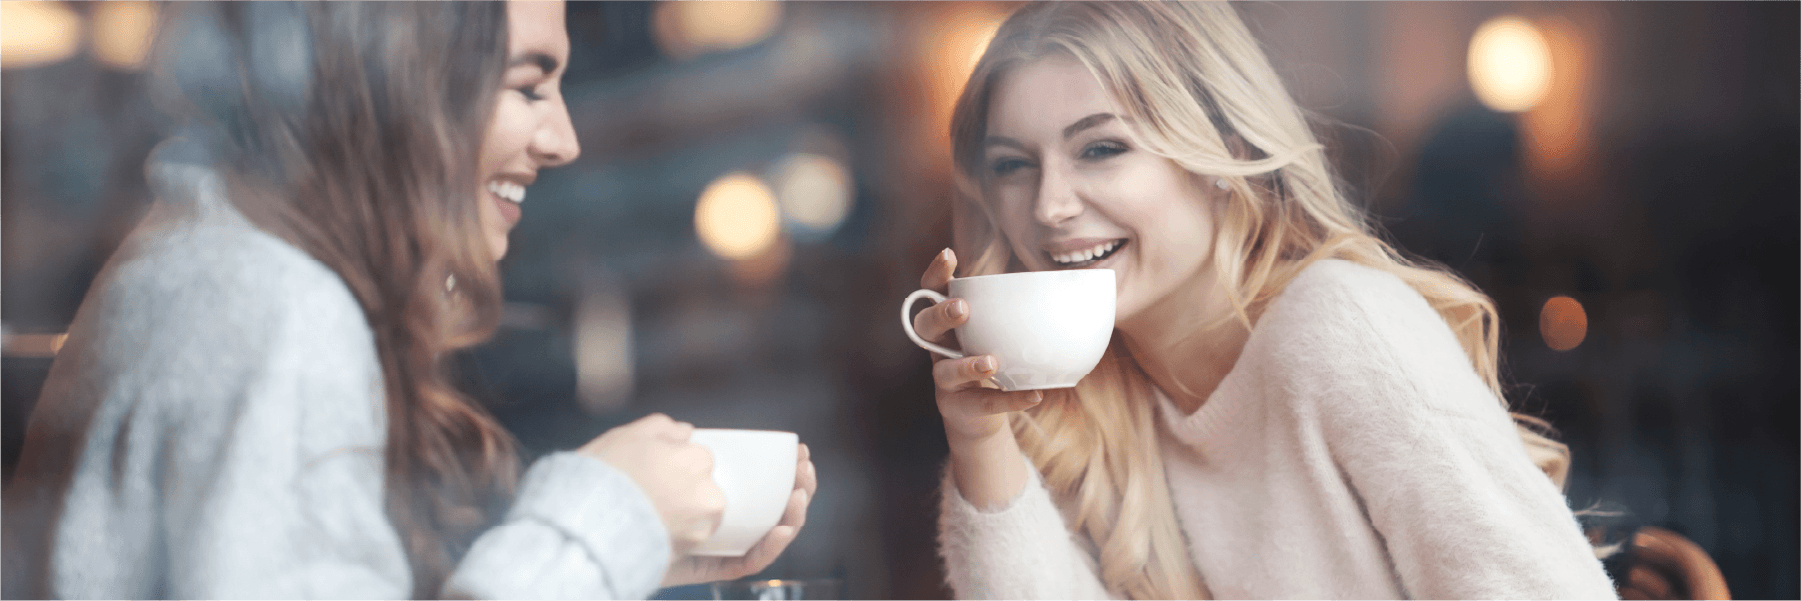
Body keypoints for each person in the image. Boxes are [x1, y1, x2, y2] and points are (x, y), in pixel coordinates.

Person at [0, 2, 815, 599]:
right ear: (404, 92)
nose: (565, 140)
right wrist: (603, 524)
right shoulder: (276, 311)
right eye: (528, 87)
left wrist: (641, 551)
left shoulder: (214, 267)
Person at [913, 2, 1615, 599]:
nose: (1049, 205)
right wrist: (981, 440)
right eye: (1012, 164)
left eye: (1100, 149)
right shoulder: (1090, 393)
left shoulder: (1339, 324)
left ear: (1222, 152)